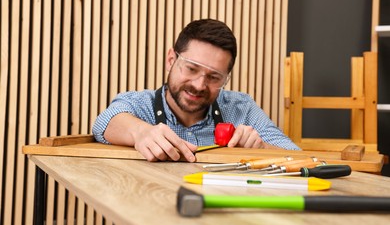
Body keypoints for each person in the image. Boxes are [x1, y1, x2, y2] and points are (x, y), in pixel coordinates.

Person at [93, 19, 300, 162]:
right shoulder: (141, 104)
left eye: (214, 77)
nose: (200, 85)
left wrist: (262, 148)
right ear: (171, 60)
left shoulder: (241, 108)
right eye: (191, 68)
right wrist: (141, 132)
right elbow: (103, 123)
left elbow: (299, 156)